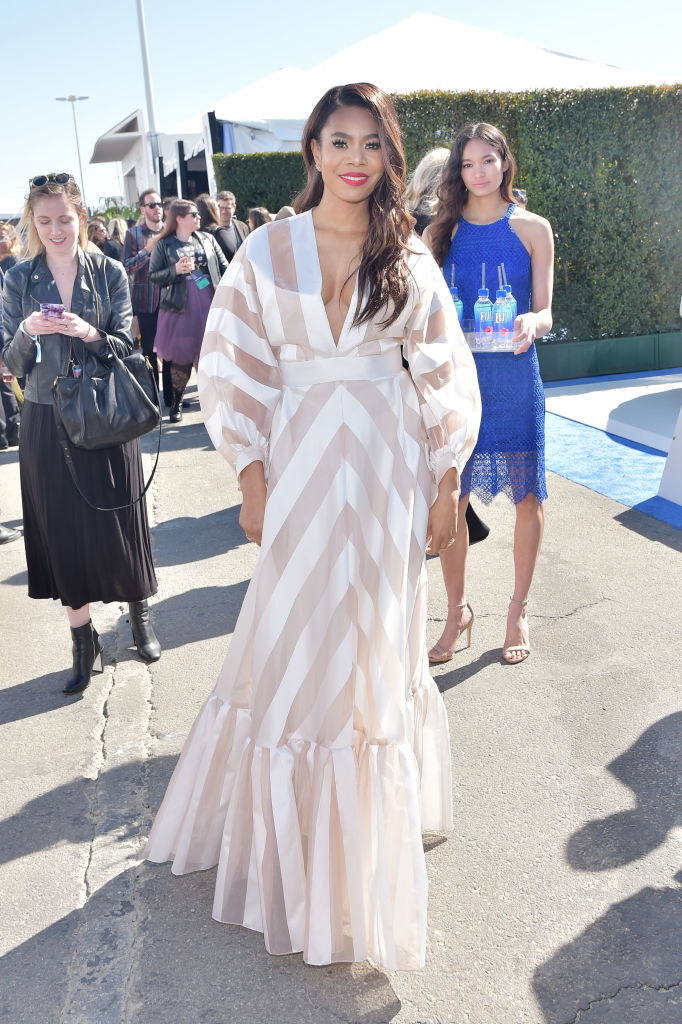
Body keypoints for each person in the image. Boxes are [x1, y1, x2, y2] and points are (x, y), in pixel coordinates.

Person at [144, 83, 481, 970]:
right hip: (295, 466)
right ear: (313, 148)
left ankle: (364, 849)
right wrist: (250, 478)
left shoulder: (406, 249)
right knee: (292, 636)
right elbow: (229, 366)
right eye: (339, 141)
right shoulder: (266, 248)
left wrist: (448, 481)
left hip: (385, 469)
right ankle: (288, 853)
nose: (355, 159)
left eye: (371, 143)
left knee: (371, 641)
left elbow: (443, 366)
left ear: (388, 154)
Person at [1, 173, 161, 695]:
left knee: (120, 519)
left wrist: (87, 331)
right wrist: (28, 330)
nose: (55, 230)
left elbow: (124, 342)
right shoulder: (18, 280)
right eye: (44, 221)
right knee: (62, 531)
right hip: (47, 417)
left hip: (105, 410)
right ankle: (82, 639)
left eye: (64, 220)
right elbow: (9, 359)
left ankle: (139, 617)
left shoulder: (109, 270)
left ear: (81, 219)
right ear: (32, 222)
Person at [424, 122, 554, 664]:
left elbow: (547, 311)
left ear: (505, 163)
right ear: (458, 170)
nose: (478, 172)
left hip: (515, 382)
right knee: (451, 500)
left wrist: (532, 321)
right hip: (457, 386)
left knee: (529, 498)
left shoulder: (532, 228)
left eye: (488, 161)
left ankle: (517, 607)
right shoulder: (441, 231)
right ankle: (457, 611)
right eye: (468, 163)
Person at [405, 147, 490, 549]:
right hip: (440, 335)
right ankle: (449, 518)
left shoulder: (406, 219)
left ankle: (457, 516)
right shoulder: (438, 222)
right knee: (444, 425)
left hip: (417, 340)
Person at [149, 199, 228, 422]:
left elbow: (224, 268)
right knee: (182, 357)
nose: (199, 217)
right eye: (193, 214)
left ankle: (214, 404)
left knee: (209, 355)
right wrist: (174, 270)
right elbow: (153, 277)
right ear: (179, 218)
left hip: (208, 300)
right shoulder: (164, 245)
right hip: (179, 306)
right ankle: (176, 404)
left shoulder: (208, 238)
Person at [123, 188, 171, 406]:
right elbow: (126, 267)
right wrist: (146, 251)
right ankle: (153, 400)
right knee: (150, 352)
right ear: (143, 209)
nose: (157, 208)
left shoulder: (170, 230)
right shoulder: (133, 234)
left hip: (171, 299)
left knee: (171, 350)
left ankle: (172, 398)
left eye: (159, 204)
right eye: (152, 205)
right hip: (145, 301)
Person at [195, 193, 235, 262]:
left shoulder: (194, 233)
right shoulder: (218, 232)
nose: (221, 211)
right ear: (213, 211)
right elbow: (231, 252)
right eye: (218, 208)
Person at [215, 190, 249, 260]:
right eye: (221, 208)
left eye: (227, 208)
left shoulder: (243, 227)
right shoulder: (212, 231)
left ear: (234, 207)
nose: (224, 211)